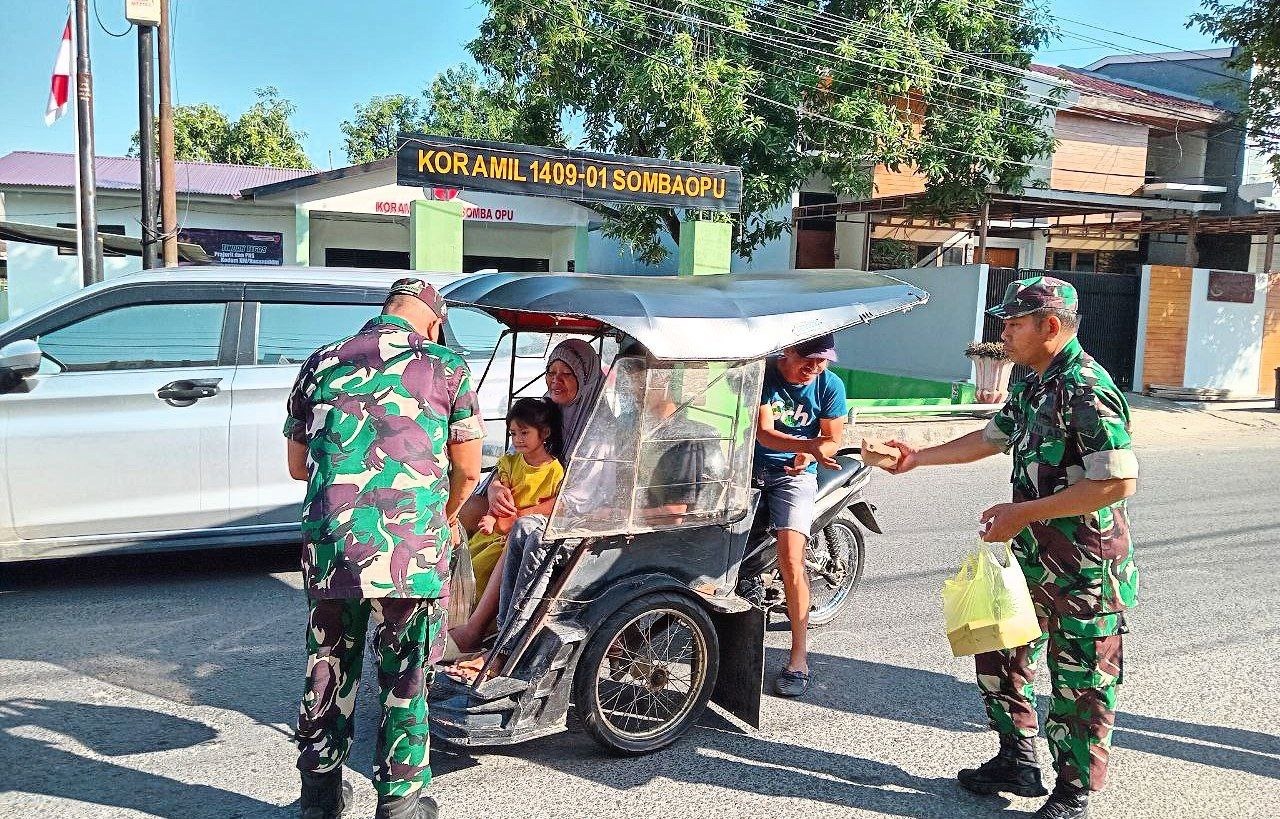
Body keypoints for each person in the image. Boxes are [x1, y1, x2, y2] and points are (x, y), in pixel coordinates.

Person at [885, 277, 1139, 819]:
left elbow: (1116, 483)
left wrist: (1022, 512)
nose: (1003, 332)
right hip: (1030, 557)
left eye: (1014, 323)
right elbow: (990, 437)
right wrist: (917, 458)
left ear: (1051, 326)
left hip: (1084, 566)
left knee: (1080, 682)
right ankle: (1016, 758)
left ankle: (1073, 792)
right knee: (999, 651)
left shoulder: (1086, 388)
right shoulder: (1033, 384)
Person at [284, 278, 484, 819]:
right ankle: (400, 804)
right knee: (406, 674)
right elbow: (468, 471)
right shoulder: (447, 367)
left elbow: (298, 466)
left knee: (327, 663)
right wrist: (442, 519)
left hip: (332, 545)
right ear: (434, 321)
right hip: (411, 549)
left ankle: (320, 799)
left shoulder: (321, 360)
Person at [753, 333, 847, 698]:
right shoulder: (762, 374)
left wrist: (808, 455)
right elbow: (764, 434)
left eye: (822, 360)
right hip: (747, 468)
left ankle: (798, 658)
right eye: (808, 358)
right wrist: (810, 445)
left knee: (791, 560)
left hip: (795, 477)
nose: (815, 367)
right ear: (788, 351)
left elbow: (832, 439)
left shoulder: (830, 385)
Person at [450, 397, 564, 654]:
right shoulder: (510, 463)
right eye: (513, 434)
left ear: (544, 433)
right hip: (495, 531)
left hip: (518, 535)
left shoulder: (554, 472)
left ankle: (478, 626)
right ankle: (454, 619)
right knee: (465, 563)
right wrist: (492, 513)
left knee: (481, 570)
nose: (518, 439)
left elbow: (554, 505)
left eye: (524, 433)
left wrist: (515, 516)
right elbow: (499, 493)